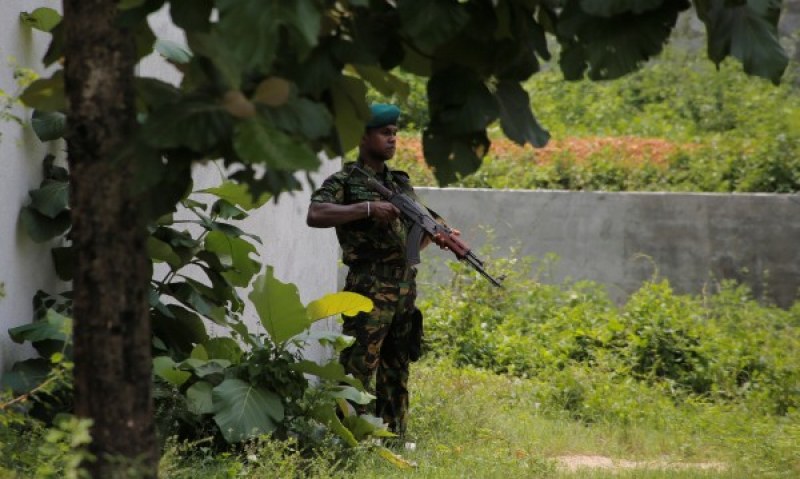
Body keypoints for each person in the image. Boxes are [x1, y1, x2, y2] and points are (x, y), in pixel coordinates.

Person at [306, 103, 441, 442]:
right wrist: (367, 208)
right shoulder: (345, 181)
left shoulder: (399, 182)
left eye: (395, 133)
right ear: (363, 137)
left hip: (403, 286)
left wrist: (437, 234)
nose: (393, 139)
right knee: (358, 366)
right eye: (385, 133)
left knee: (397, 366)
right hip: (369, 285)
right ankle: (347, 438)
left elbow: (417, 231)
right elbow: (315, 213)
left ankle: (393, 436)